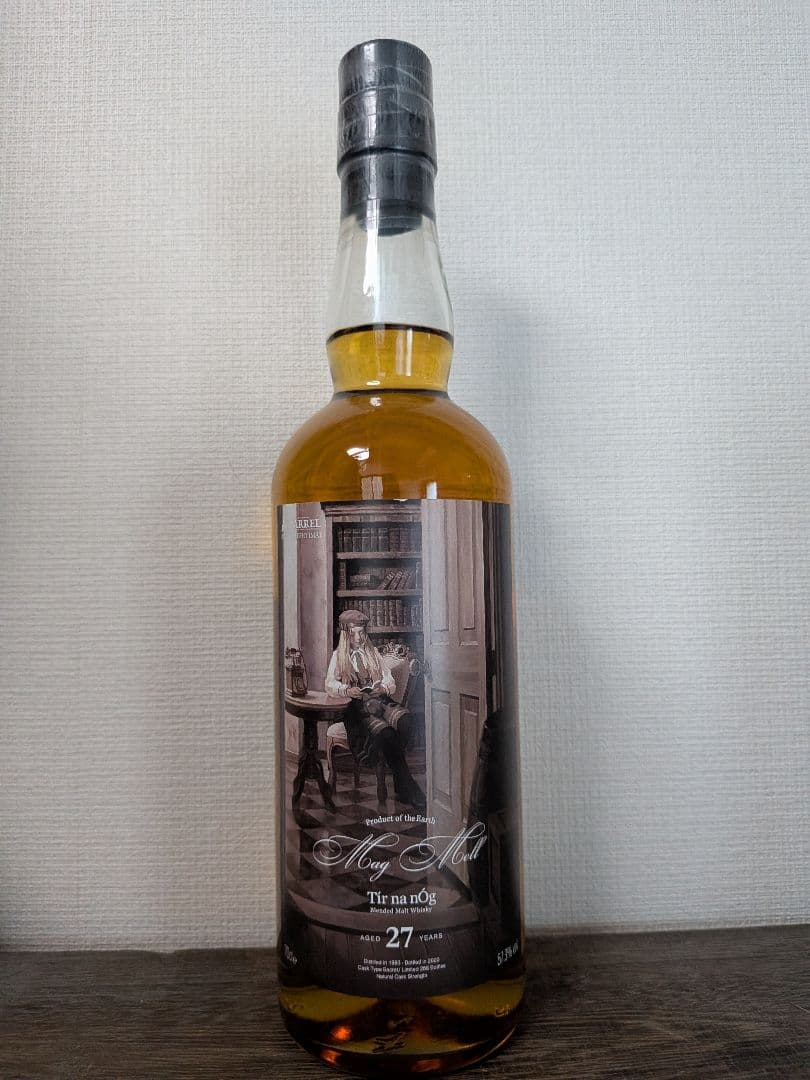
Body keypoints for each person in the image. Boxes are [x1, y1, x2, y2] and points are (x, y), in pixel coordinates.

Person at [325, 609, 425, 810]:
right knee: (386, 733)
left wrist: (384, 688)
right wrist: (346, 690)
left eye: (362, 633)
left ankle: (400, 780)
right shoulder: (338, 657)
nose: (359, 638)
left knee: (407, 721)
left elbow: (389, 680)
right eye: (354, 633)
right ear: (346, 634)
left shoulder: (373, 654)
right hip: (356, 708)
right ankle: (406, 786)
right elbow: (329, 685)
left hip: (379, 700)